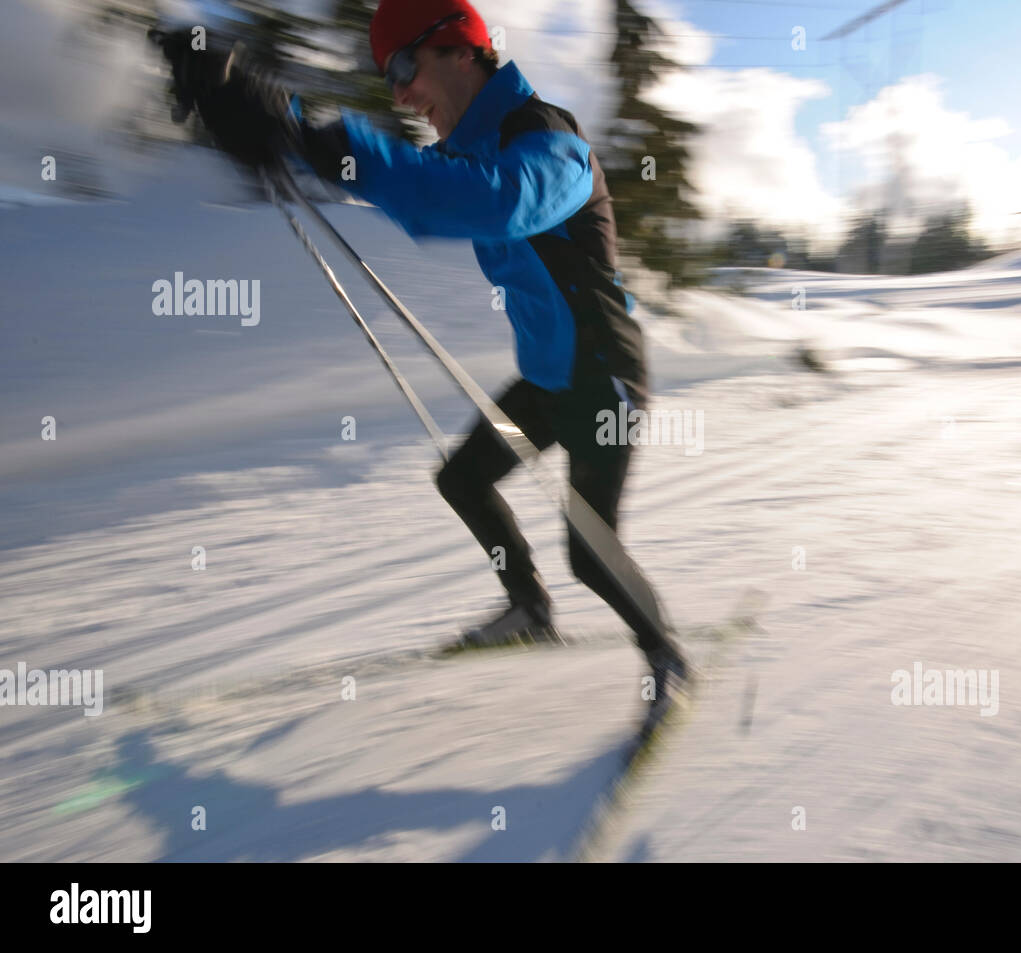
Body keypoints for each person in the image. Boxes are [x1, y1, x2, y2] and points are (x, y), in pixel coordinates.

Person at [153, 0, 689, 705]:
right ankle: (529, 608)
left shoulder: (548, 140)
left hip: (603, 380)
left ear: (462, 49)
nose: (400, 91)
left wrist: (321, 144)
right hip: (547, 380)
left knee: (589, 550)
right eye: (388, 76)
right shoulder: (466, 152)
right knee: (463, 479)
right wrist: (267, 117)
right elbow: (403, 173)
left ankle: (667, 658)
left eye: (406, 65)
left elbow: (496, 202)